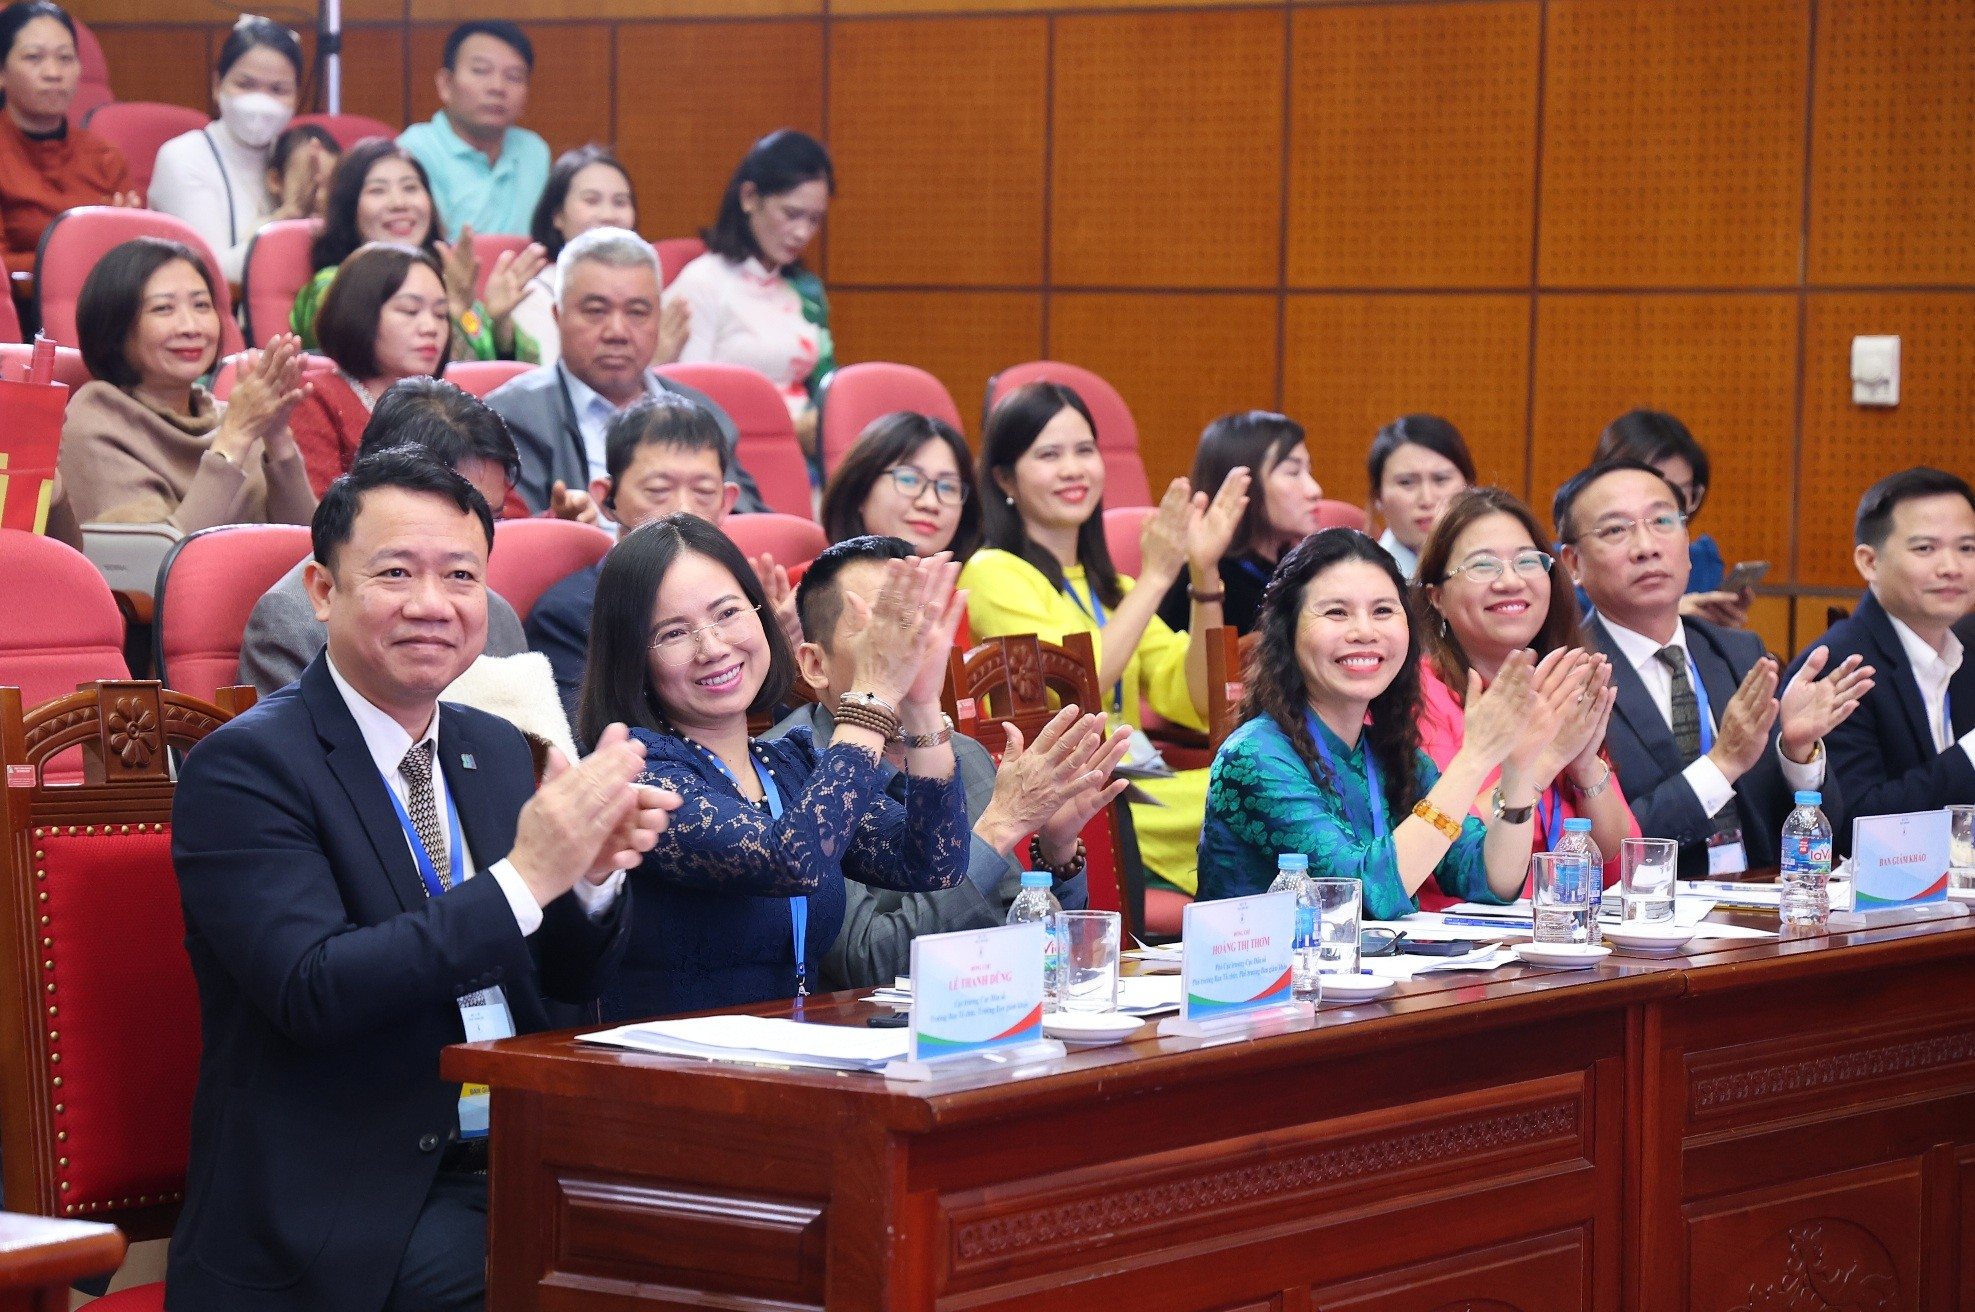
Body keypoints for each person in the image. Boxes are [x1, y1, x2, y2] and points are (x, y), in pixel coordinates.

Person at [168, 444, 674, 1312]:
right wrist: (526, 877)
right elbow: (314, 989)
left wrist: (588, 879)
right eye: (396, 573)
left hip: (518, 1152)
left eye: (462, 577)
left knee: (738, 1239)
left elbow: (568, 981)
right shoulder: (245, 768)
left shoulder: (495, 748)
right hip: (351, 1196)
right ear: (322, 590)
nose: (432, 605)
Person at [582, 513, 969, 1017]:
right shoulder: (638, 772)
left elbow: (933, 862)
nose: (712, 648)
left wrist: (919, 703)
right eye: (674, 633)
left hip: (799, 1047)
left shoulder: (791, 763)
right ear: (634, 658)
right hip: (676, 1059)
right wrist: (872, 693)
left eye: (727, 613)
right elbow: (791, 861)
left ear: (760, 616)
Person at [764, 535, 1131, 990]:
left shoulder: (963, 754)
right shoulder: (786, 772)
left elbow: (1032, 950)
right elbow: (868, 962)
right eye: (884, 628)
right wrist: (997, 829)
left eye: (921, 623)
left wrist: (1056, 853)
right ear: (816, 665)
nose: (911, 647)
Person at [1199, 529, 1602, 916]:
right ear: (1287, 631)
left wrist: (1518, 769)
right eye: (1336, 612)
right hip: (1263, 966)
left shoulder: (1389, 753)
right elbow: (1356, 896)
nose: (1364, 631)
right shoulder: (1253, 756)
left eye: (1383, 611)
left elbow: (1490, 879)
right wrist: (1475, 758)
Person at [959, 382, 1249, 899]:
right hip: (1066, 799)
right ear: (1004, 477)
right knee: (1251, 795)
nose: (1073, 469)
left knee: (1258, 782)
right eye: (1050, 454)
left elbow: (1204, 703)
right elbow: (1073, 686)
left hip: (1137, 783)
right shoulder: (992, 571)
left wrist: (1203, 574)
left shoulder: (1116, 589)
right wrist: (1158, 578)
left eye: (1084, 450)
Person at [1557, 459, 1873, 879]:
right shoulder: (1570, 676)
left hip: (1758, 901)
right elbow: (1598, 850)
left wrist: (1797, 753)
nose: (1646, 546)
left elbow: (1823, 833)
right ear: (1573, 563)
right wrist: (1722, 763)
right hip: (1649, 911)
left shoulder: (1740, 653)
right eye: (1616, 530)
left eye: (1662, 521)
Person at [240, 377, 538, 695]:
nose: (475, 528)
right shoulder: (291, 620)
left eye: (491, 516)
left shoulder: (498, 617)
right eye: (395, 573)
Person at [1413, 487, 1635, 904]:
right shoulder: (1414, 700)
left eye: (1528, 561)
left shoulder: (1560, 683)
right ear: (1436, 597)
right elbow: (1431, 855)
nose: (1511, 581)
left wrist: (1584, 765)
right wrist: (1546, 761)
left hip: (1568, 928)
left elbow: (1622, 866)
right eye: (1483, 565)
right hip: (1461, 934)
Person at [484, 225, 762, 515]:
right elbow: (509, 533)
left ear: (658, 318)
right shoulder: (511, 418)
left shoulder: (702, 415)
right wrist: (562, 529)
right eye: (596, 311)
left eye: (637, 312)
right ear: (558, 316)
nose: (617, 332)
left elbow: (751, 524)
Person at [56, 236, 312, 531]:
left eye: (201, 305)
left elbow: (310, 544)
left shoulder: (228, 417)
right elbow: (157, 555)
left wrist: (277, 438)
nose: (191, 327)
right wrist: (235, 437)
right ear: (113, 327)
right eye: (163, 309)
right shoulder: (94, 421)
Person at [527, 391, 739, 720]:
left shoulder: (743, 600)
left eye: (703, 492)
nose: (683, 510)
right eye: (657, 490)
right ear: (606, 499)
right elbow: (587, 737)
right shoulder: (566, 617)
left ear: (726, 502)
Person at [1784, 468, 1975, 833]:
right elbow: (1856, 821)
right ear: (1869, 562)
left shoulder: (1967, 653)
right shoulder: (1840, 666)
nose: (1952, 568)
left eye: (1967, 548)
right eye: (1925, 548)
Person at [292, 137, 545, 363]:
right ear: (349, 208)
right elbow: (385, 366)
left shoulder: (448, 283)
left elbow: (494, 365)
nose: (399, 203)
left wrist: (499, 325)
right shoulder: (332, 285)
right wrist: (451, 314)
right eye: (377, 190)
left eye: (411, 188)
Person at [665, 129, 834, 464]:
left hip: (804, 458)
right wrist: (787, 432)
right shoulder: (704, 282)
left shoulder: (806, 291)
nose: (803, 233)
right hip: (726, 457)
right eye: (791, 214)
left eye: (814, 220)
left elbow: (825, 389)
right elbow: (683, 403)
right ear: (749, 197)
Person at [147, 16, 313, 283]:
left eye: (279, 89)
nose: (261, 102)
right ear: (217, 85)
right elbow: (213, 273)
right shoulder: (183, 157)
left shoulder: (298, 156)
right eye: (246, 85)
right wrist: (289, 214)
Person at [289, 241, 454, 495]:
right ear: (360, 314)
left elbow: (506, 506)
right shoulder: (313, 397)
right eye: (410, 311)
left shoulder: (451, 404)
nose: (431, 328)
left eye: (441, 314)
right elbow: (320, 510)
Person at [0, 0, 136, 280]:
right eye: (34, 58)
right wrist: (88, 255)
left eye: (65, 58)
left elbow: (133, 255)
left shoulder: (104, 158)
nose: (53, 73)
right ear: (2, 72)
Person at [1158, 410, 1325, 633]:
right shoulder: (1197, 579)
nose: (1315, 490)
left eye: (1308, 471)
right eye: (1293, 472)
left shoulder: (1301, 570)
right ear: (1244, 484)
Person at [1594, 408, 1752, 628]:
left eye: (1677, 490)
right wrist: (1669, 617)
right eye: (1650, 487)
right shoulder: (1565, 567)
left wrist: (1719, 634)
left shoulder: (1703, 561)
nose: (1664, 503)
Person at [398, 20, 549, 239]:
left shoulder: (533, 150)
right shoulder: (415, 150)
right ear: (446, 84)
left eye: (514, 77)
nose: (497, 87)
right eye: (480, 71)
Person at [511, 144, 653, 364]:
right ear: (557, 215)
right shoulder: (535, 294)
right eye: (591, 201)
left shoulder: (647, 289)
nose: (608, 215)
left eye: (620, 202)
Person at [819, 411, 980, 559]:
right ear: (860, 491)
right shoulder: (817, 580)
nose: (930, 503)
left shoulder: (973, 580)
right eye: (909, 479)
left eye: (947, 487)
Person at [1368, 414, 1474, 580]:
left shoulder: (1499, 572)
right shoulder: (1367, 582)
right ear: (1378, 496)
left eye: (1441, 479)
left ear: (1469, 487)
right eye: (1406, 482)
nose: (1427, 500)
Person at [265, 122, 339, 221]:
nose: (320, 197)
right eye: (314, 186)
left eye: (329, 186)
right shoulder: (268, 225)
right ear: (276, 181)